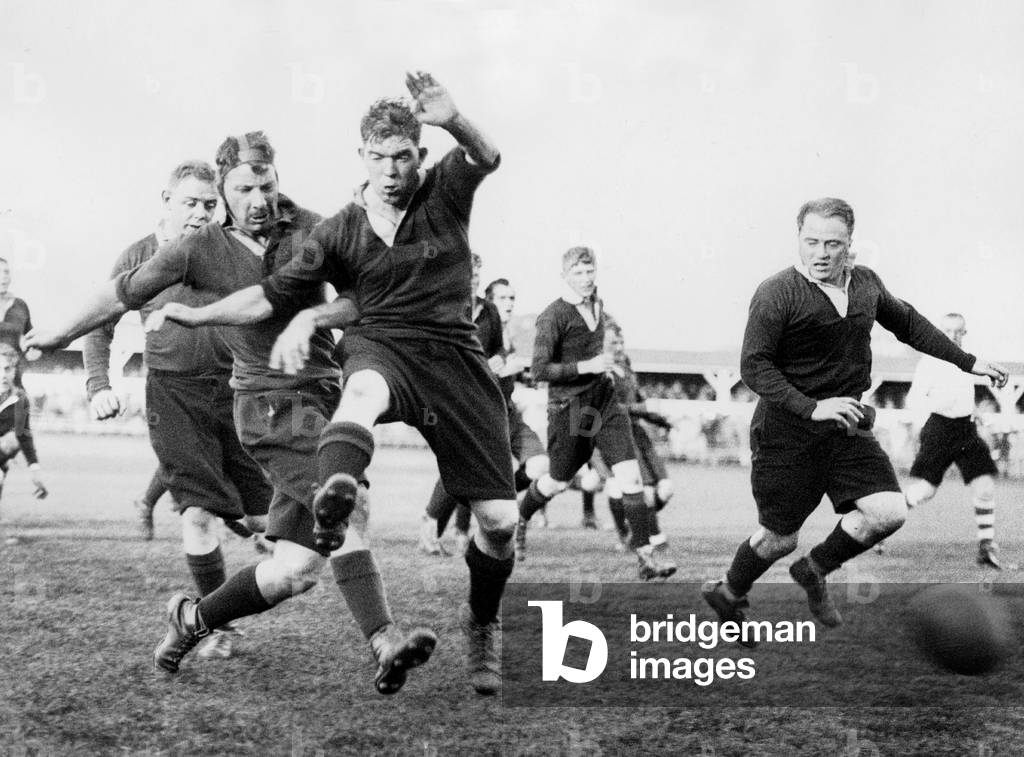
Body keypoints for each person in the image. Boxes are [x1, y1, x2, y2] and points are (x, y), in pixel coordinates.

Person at [133, 73, 517, 696]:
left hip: (453, 363)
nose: (392, 170)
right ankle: (375, 615)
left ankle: (194, 617)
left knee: (304, 566)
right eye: (379, 157)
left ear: (419, 155)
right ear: (361, 156)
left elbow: (487, 156)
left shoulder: (443, 191)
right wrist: (206, 314)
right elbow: (270, 296)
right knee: (361, 402)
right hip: (368, 359)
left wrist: (454, 118)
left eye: (403, 157)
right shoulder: (338, 228)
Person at [24, 132, 432, 695]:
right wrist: (58, 334)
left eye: (267, 185)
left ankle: (191, 620)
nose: (259, 199)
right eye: (244, 189)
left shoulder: (313, 228)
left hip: (324, 396)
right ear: (224, 190)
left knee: (294, 570)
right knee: (346, 505)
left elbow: (365, 296)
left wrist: (321, 320)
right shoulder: (198, 249)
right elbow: (121, 294)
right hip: (267, 406)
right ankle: (384, 638)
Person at [701, 198, 1008, 638]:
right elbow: (754, 367)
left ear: (850, 244)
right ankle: (728, 593)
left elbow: (909, 324)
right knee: (778, 539)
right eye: (811, 242)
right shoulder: (776, 293)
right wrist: (812, 406)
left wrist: (967, 361)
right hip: (787, 433)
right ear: (798, 240)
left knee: (888, 511)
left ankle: (814, 569)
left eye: (832, 243)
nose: (821, 253)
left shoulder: (865, 285)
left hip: (845, 427)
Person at [82, 160, 276, 659]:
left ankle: (219, 606)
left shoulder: (231, 249)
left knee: (265, 523)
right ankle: (215, 628)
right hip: (173, 397)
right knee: (197, 515)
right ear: (165, 200)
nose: (200, 213)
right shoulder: (142, 254)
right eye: (189, 202)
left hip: (238, 392)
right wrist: (99, 383)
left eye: (210, 204)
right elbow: (100, 322)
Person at [517, 246, 676, 580]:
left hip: (604, 402)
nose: (586, 279)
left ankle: (646, 559)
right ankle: (521, 518)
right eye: (578, 273)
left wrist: (602, 370)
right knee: (557, 481)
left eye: (590, 272)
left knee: (630, 477)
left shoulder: (598, 304)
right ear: (564, 276)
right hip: (569, 409)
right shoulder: (553, 316)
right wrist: (585, 365)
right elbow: (539, 370)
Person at [419, 275, 549, 557]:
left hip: (507, 413)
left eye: (513, 298)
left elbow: (504, 362)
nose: (510, 304)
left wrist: (516, 370)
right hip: (476, 412)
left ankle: (488, 506)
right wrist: (492, 370)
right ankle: (441, 527)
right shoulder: (465, 323)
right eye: (503, 298)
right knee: (464, 470)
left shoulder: (507, 331)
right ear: (489, 301)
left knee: (539, 464)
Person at [417, 255, 504, 556]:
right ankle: (433, 524)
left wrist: (498, 362)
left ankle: (435, 526)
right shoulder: (442, 307)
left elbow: (499, 350)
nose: (474, 277)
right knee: (460, 460)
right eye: (469, 271)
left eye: (478, 272)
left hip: (479, 398)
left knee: (463, 464)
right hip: (448, 394)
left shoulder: (490, 310)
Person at [902, 313, 1002, 568]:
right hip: (939, 428)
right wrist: (921, 426)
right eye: (948, 331)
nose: (953, 336)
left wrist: (975, 411)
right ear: (940, 332)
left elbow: (965, 392)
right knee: (925, 491)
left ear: (964, 333)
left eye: (958, 331)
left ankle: (986, 547)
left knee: (985, 483)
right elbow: (914, 400)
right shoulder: (930, 362)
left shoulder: (968, 362)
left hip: (965, 429)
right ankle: (883, 516)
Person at [603, 324, 675, 552]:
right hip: (619, 434)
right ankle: (651, 535)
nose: (619, 347)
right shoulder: (603, 374)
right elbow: (610, 409)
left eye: (621, 341)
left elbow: (640, 402)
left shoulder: (626, 366)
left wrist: (664, 421)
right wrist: (642, 407)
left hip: (638, 433)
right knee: (642, 489)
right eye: (613, 342)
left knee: (665, 488)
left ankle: (636, 525)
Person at [0, 346, 47, 546]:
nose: (3, 374)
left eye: (8, 369)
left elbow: (24, 436)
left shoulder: (20, 399)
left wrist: (34, 470)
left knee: (13, 441)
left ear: (15, 371)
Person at [0, 258, 36, 388]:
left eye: (6, 272)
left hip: (13, 379)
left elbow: (30, 340)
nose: (3, 277)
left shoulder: (20, 305)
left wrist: (32, 349)